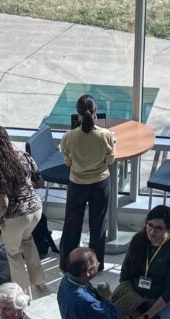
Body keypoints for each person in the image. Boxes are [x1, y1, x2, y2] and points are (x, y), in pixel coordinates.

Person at [0, 125, 45, 295]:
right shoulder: (24, 156)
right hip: (36, 209)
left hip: (16, 216)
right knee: (28, 242)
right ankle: (39, 282)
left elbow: (4, 203)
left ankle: (22, 294)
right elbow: (40, 182)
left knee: (13, 254)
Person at [58, 95, 115, 271]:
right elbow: (110, 160)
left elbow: (68, 162)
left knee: (71, 225)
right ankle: (96, 265)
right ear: (95, 112)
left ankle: (67, 264)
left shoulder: (69, 136)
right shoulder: (105, 135)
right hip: (100, 184)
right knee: (98, 226)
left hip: (77, 184)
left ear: (78, 114)